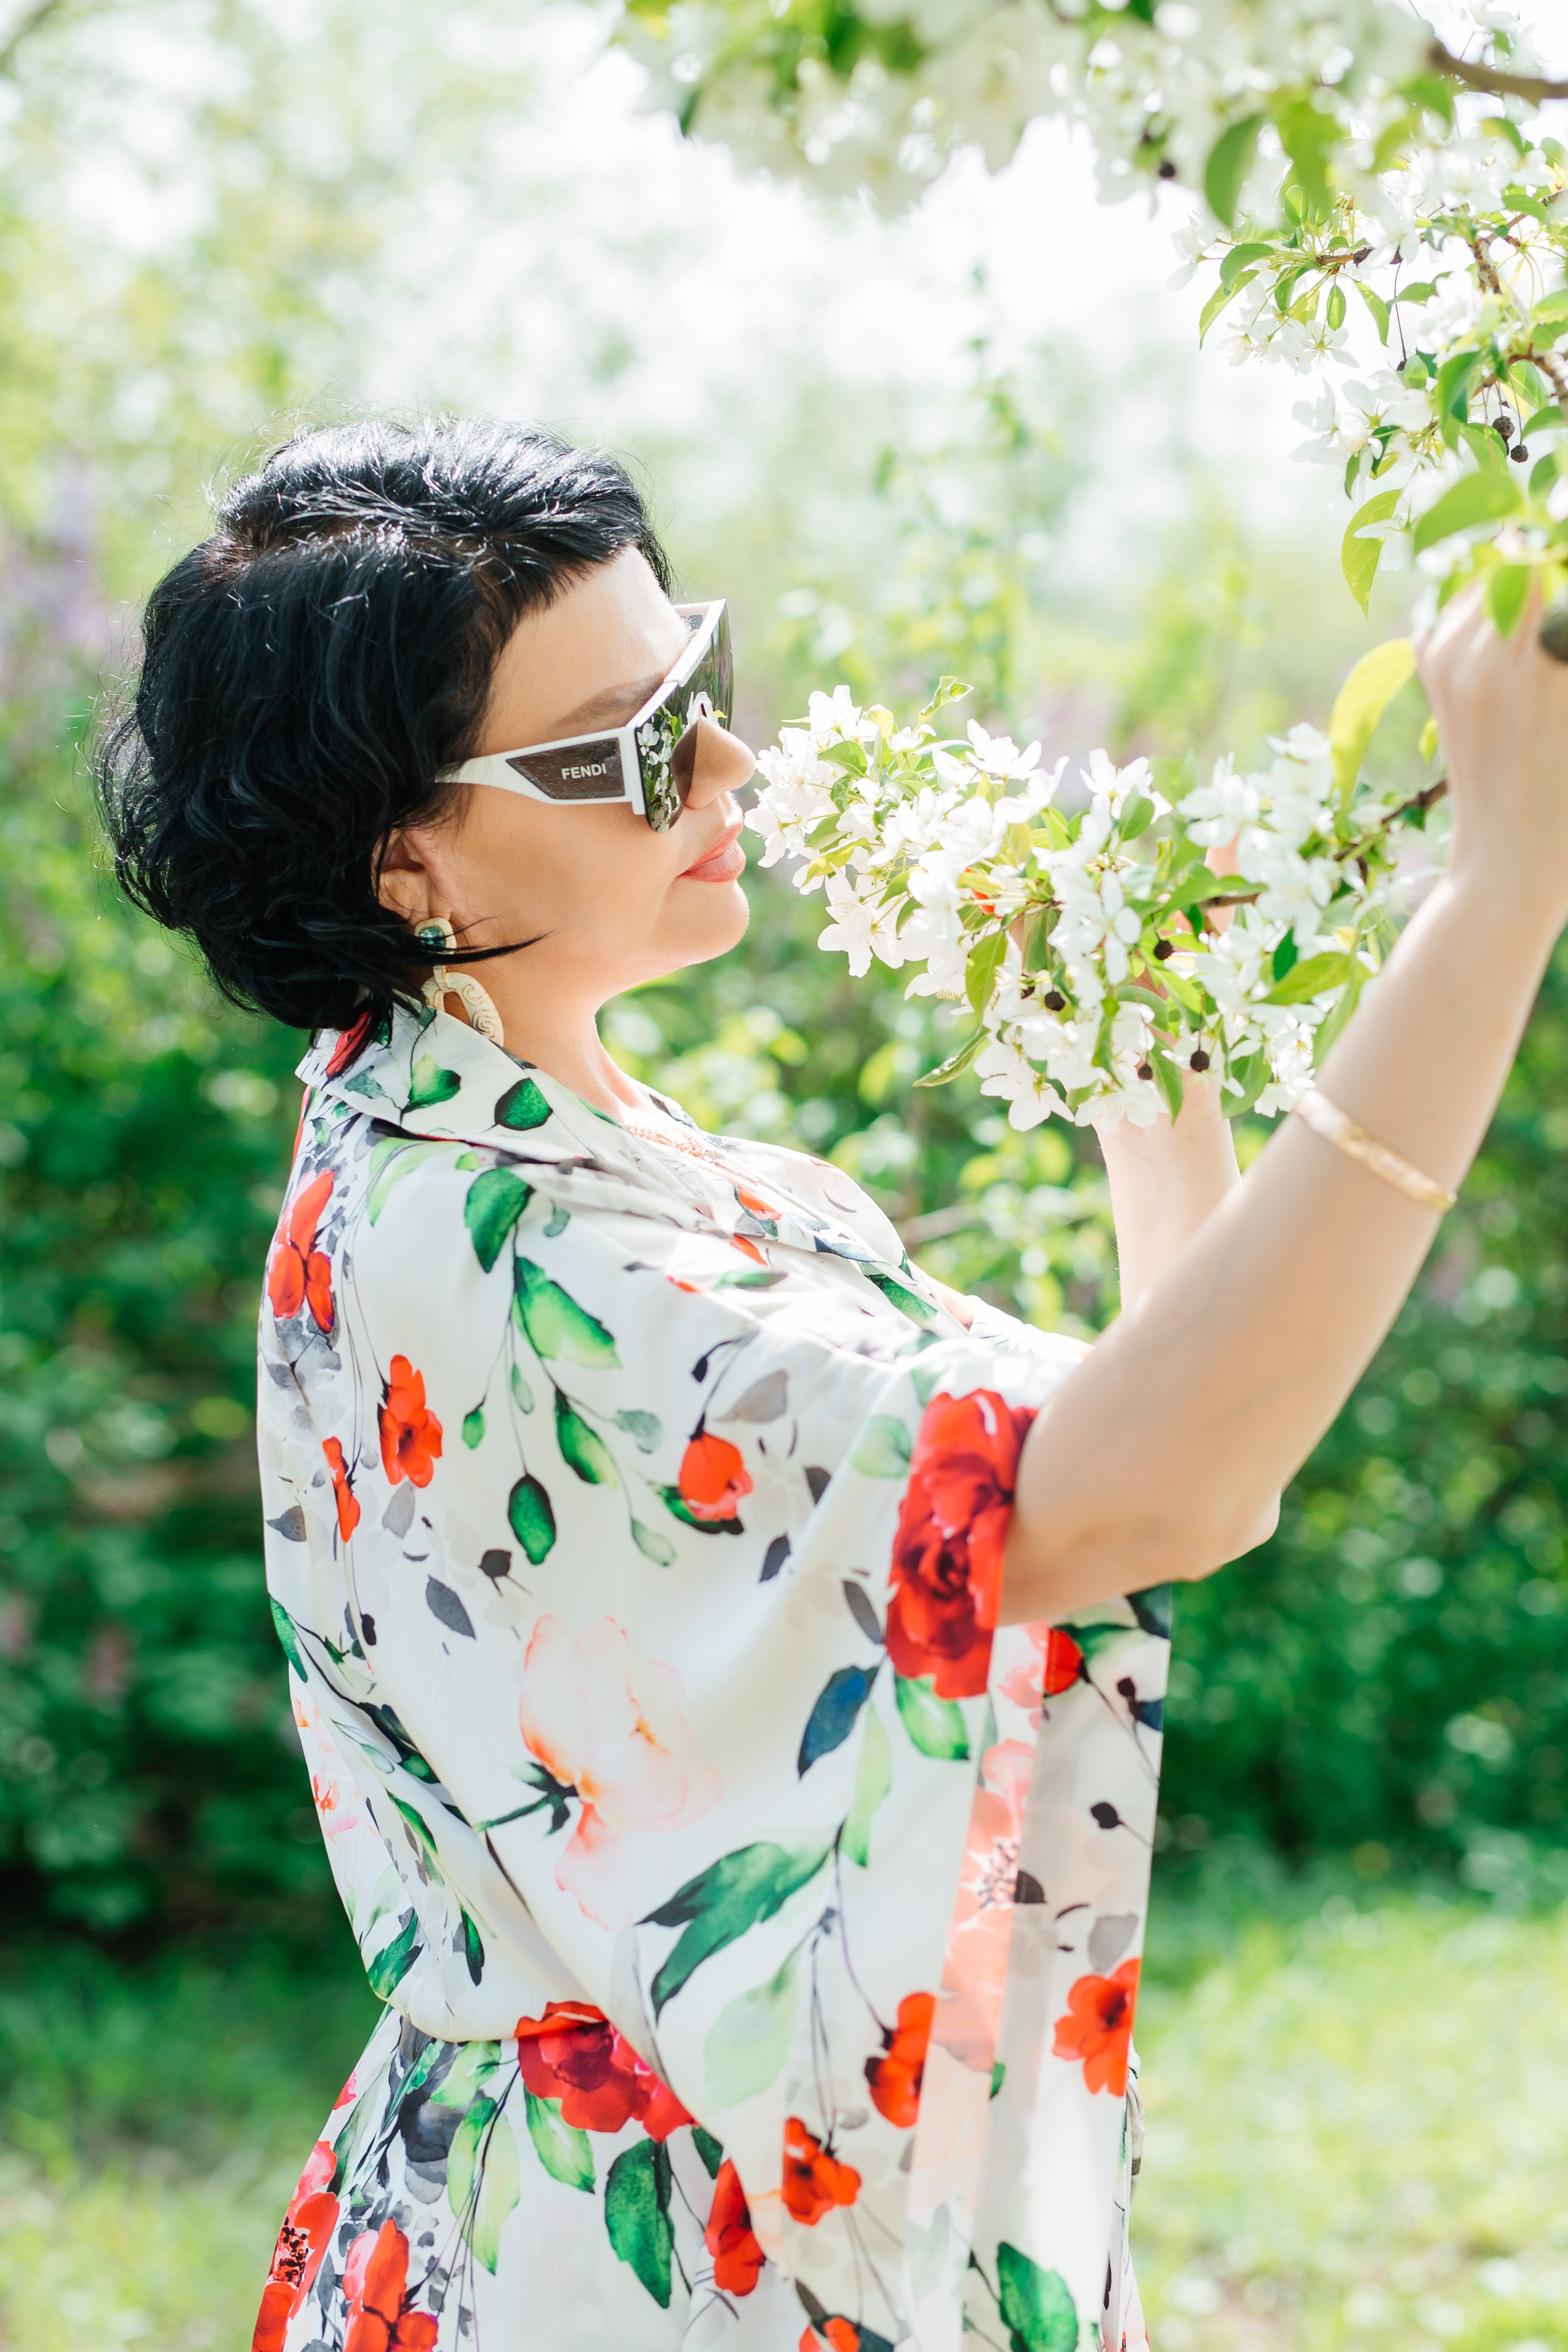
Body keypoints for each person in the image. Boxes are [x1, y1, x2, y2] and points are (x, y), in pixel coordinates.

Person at [98, 418, 1568, 2352]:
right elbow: (1153, 1489)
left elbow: (1169, 1474)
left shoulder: (589, 1148)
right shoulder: (506, 1244)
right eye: (630, 746)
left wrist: (1148, 1094)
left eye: (702, 682)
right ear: (410, 860)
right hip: (632, 2274)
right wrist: (1497, 898)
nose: (726, 766)